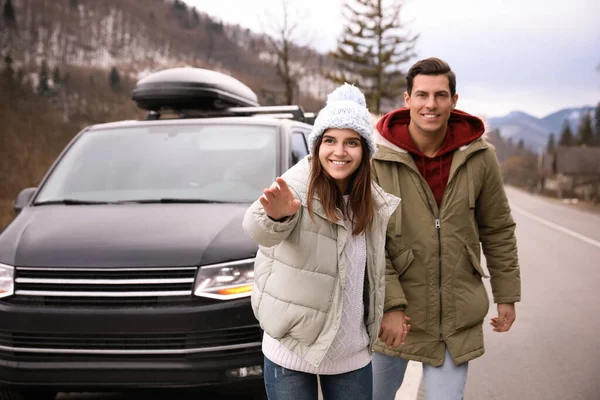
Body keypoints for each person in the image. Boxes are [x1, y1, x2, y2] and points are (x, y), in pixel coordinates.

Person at [370, 57, 521, 400]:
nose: (431, 104)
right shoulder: (377, 158)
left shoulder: (480, 156)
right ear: (407, 100)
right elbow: (369, 240)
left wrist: (506, 294)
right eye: (422, 95)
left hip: (454, 317)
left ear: (454, 100)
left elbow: (497, 228)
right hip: (393, 317)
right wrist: (391, 306)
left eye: (440, 95)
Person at [242, 83, 402, 400]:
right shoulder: (297, 183)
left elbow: (377, 264)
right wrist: (278, 217)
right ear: (317, 146)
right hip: (291, 348)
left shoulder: (371, 200)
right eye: (330, 140)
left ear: (365, 150)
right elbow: (256, 228)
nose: (339, 152)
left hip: (350, 352)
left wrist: (391, 307)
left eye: (351, 142)